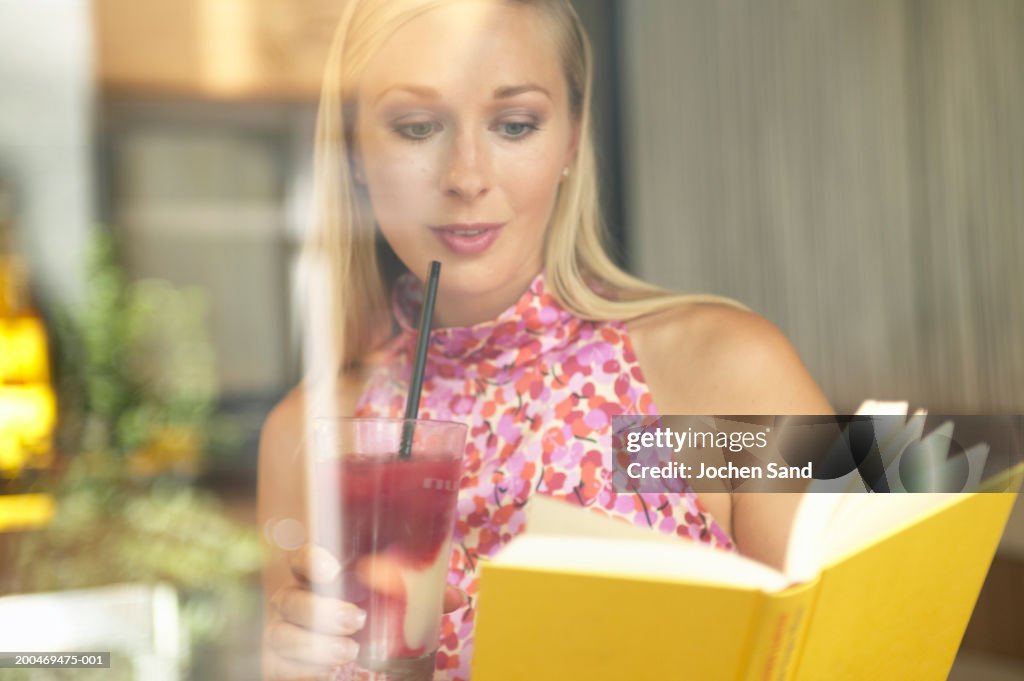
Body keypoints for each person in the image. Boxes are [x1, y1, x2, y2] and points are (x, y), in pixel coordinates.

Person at [258, 0, 833, 679]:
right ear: (354, 150)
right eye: (416, 127)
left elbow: (878, 621)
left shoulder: (729, 374)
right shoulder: (309, 433)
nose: (466, 177)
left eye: (515, 124)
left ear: (570, 140)